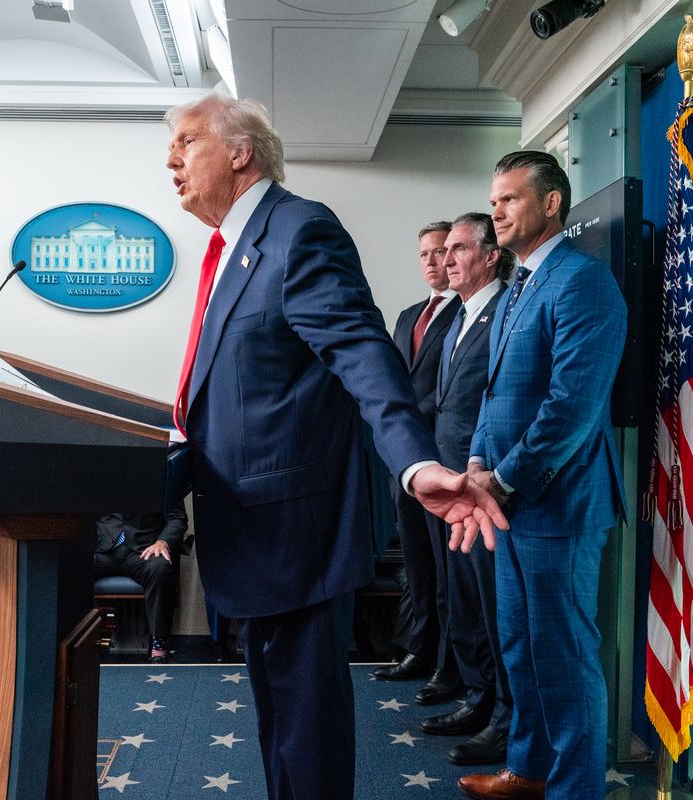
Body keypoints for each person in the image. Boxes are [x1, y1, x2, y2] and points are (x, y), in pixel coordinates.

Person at [163, 93, 505, 800]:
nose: (172, 158)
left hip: (297, 528)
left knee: (306, 725)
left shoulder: (299, 231)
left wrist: (415, 463)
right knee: (281, 719)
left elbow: (362, 355)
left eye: (187, 141)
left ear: (239, 152)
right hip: (252, 523)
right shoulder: (231, 251)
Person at [457, 151, 627, 800]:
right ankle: (527, 772)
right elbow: (495, 395)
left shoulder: (584, 282)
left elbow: (572, 407)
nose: (496, 210)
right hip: (508, 505)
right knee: (522, 648)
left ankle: (575, 790)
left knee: (564, 657)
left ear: (551, 203)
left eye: (509, 199)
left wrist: (501, 479)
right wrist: (476, 462)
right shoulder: (518, 287)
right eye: (493, 200)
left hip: (560, 505)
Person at [421, 213, 513, 766]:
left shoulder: (504, 312)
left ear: (490, 256)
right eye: (445, 250)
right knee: (465, 601)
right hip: (449, 487)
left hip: (484, 493)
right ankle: (478, 699)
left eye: (458, 249)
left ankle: (505, 717)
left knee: (494, 605)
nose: (447, 259)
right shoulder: (456, 318)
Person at [374, 221, 464, 704]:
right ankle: (419, 650)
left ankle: (448, 667)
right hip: (405, 464)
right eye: (426, 254)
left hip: (445, 463)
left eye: (442, 252)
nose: (434, 262)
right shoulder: (410, 314)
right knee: (417, 566)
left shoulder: (471, 312)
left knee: (449, 571)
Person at [94, 499, 188, 663]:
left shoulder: (163, 476)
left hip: (144, 549)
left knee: (160, 568)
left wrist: (162, 542)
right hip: (104, 549)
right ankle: (74, 641)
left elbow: (177, 518)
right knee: (73, 566)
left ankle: (158, 644)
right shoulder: (99, 474)